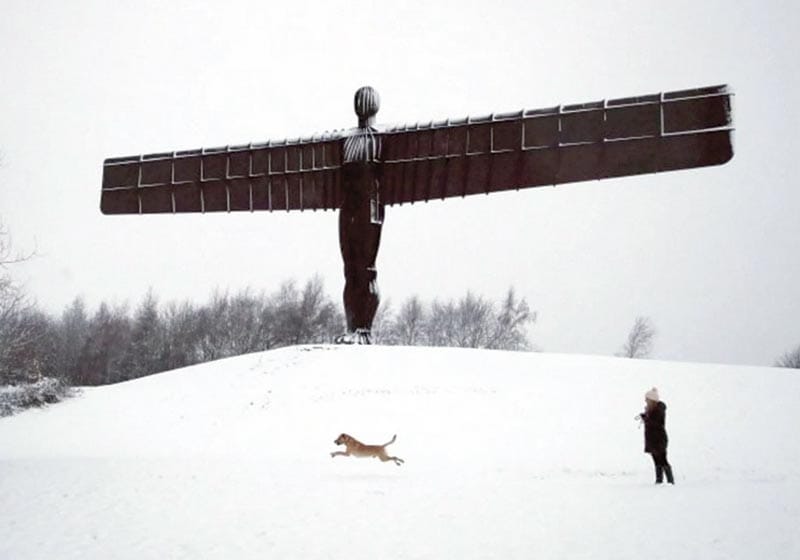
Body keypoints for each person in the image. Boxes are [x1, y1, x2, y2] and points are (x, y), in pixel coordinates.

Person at [638, 387, 675, 484]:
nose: (645, 401)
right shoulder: (652, 410)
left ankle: (670, 481)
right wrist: (646, 416)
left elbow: (656, 424)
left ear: (652, 400)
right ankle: (659, 480)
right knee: (656, 460)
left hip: (659, 439)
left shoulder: (658, 410)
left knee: (662, 460)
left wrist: (646, 418)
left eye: (647, 399)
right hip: (652, 439)